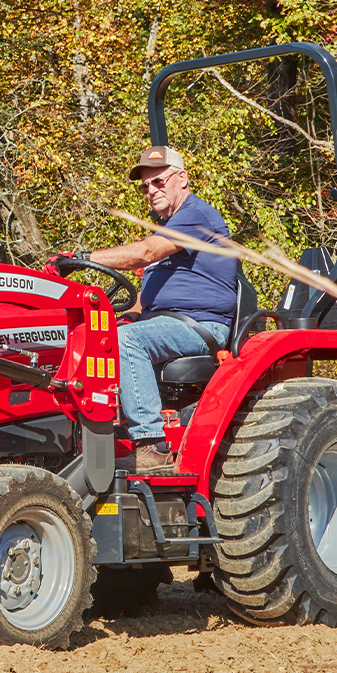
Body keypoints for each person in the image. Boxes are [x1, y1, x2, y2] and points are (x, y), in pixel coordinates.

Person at [55, 145, 237, 474]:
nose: (151, 191)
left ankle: (150, 444)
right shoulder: (168, 230)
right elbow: (147, 297)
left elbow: (145, 252)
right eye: (145, 186)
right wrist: (126, 317)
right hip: (165, 323)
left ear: (182, 179)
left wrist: (81, 259)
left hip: (199, 326)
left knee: (126, 341)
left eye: (159, 182)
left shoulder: (197, 216)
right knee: (94, 335)